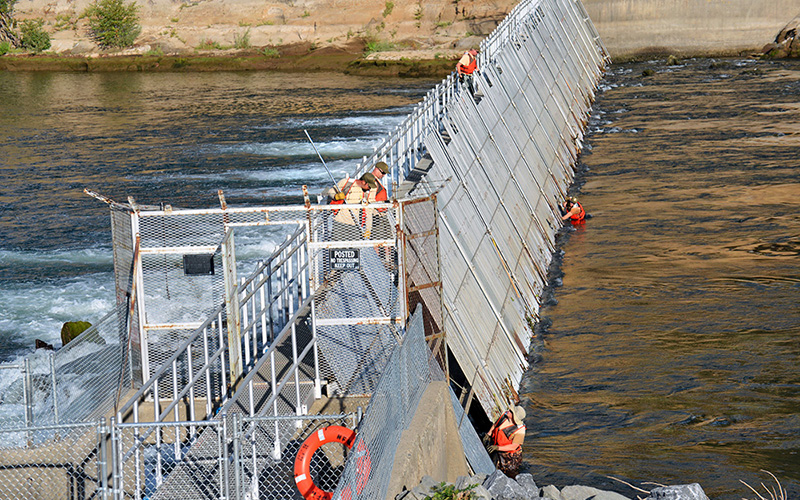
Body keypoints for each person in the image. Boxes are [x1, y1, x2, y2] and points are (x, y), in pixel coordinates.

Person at [326, 173, 377, 240]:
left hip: (355, 226)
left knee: (354, 249)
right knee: (337, 248)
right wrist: (336, 196)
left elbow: (368, 211)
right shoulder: (346, 182)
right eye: (369, 186)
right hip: (339, 223)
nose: (369, 189)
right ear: (364, 182)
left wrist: (368, 229)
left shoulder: (366, 193)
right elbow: (331, 191)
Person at [485, 405, 526, 478]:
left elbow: (514, 446)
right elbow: (495, 425)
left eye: (511, 411)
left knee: (509, 474)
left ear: (514, 417)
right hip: (496, 448)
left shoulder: (520, 430)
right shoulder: (504, 416)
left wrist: (497, 448)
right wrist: (489, 434)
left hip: (509, 457)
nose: (508, 411)